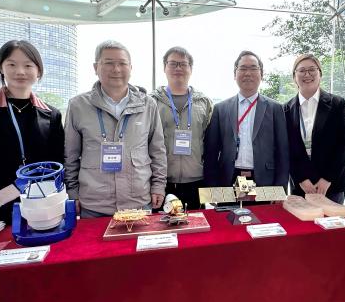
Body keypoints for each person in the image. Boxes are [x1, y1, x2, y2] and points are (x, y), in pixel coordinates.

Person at [0, 40, 65, 223]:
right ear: (1, 68)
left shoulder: (51, 114)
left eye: (28, 65)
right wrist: (11, 192)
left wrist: (32, 190)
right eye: (12, 64)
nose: (20, 71)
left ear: (38, 71)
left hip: (39, 204)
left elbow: (56, 160)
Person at [64, 40, 166, 217]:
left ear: (131, 68)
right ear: (95, 67)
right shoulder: (78, 106)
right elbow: (70, 155)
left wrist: (158, 186)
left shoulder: (148, 105)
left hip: (138, 203)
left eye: (122, 63)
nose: (116, 69)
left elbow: (157, 151)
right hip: (94, 205)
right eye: (109, 63)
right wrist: (72, 192)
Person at [204, 50, 289, 189]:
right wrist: (211, 186)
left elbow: (283, 152)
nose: (248, 73)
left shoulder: (276, 109)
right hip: (228, 179)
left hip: (265, 180)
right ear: (235, 74)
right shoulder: (220, 109)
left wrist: (281, 188)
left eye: (253, 68)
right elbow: (211, 152)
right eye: (243, 68)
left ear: (261, 74)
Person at [284, 54, 345, 204]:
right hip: (301, 186)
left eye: (312, 69)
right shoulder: (286, 109)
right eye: (302, 70)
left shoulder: (337, 104)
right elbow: (286, 148)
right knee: (302, 220)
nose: (307, 74)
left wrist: (327, 179)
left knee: (333, 220)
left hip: (332, 185)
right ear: (294, 76)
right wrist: (301, 179)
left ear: (320, 73)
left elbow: (344, 143)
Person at [151, 47, 213, 210]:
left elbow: (211, 143)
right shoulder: (152, 102)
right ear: (164, 67)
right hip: (161, 183)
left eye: (183, 64)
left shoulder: (204, 102)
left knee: (197, 224)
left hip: (196, 181)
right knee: (161, 225)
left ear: (190, 69)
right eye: (173, 63)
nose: (178, 68)